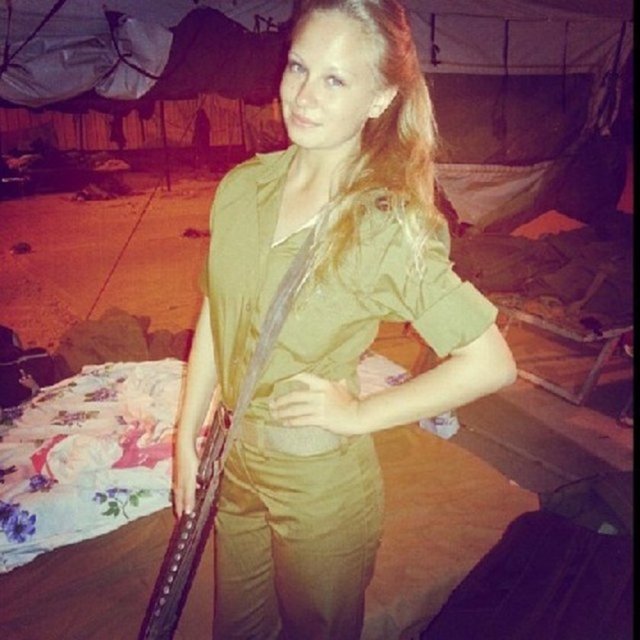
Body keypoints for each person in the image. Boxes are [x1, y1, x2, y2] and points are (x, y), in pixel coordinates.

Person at [173, 1, 517, 638]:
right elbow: (217, 311)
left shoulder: (384, 224)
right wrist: (187, 431)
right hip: (233, 459)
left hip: (318, 483)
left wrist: (359, 414)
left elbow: (491, 362)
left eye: (335, 79)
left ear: (379, 98)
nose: (304, 95)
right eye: (298, 67)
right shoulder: (241, 188)